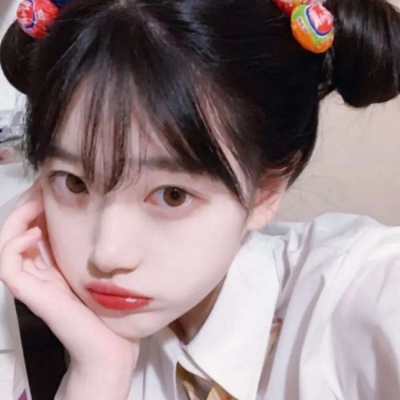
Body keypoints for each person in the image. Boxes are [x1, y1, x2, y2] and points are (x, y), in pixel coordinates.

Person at [1, 0, 400, 399]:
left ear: (266, 189)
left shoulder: (360, 294)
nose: (107, 255)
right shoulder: (79, 321)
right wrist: (99, 374)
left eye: (172, 195)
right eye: (74, 183)